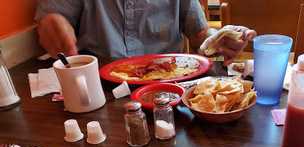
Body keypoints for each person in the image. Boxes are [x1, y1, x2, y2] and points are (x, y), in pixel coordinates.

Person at [35, 0, 256, 65]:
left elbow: (200, 37)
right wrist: (52, 25)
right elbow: (49, 24)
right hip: (100, 91)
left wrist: (217, 42)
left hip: (171, 87)